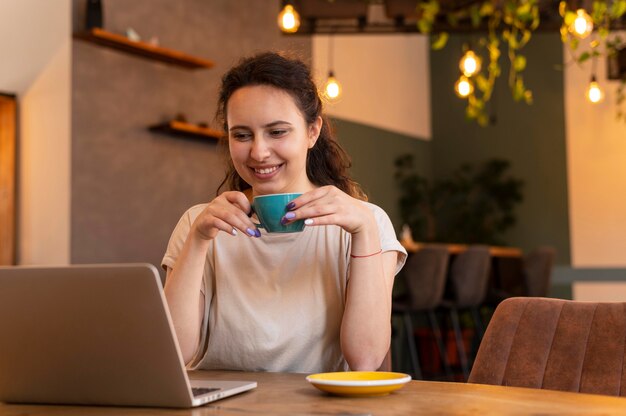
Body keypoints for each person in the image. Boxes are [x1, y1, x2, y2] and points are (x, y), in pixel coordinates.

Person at [162, 51, 407, 373]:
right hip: (221, 404)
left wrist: (364, 234)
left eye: (277, 132)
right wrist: (198, 241)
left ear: (312, 131)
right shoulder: (199, 223)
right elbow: (172, 355)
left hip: (319, 405)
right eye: (242, 135)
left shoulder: (367, 221)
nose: (259, 152)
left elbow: (365, 360)